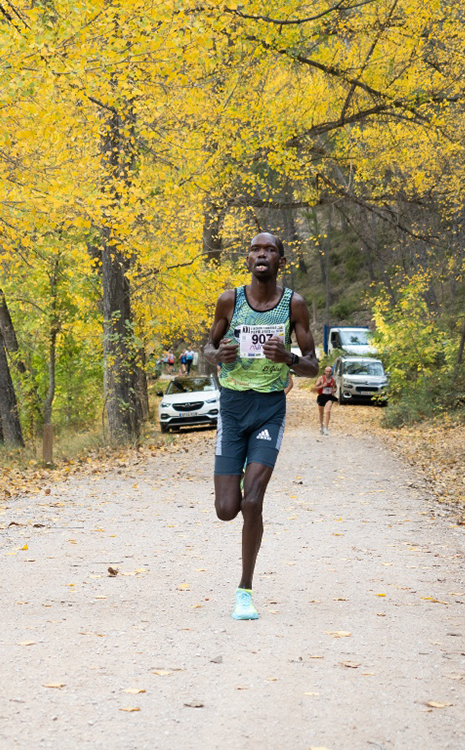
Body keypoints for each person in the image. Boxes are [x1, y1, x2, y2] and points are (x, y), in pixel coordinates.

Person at [205, 232, 318, 621]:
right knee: (226, 509)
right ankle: (235, 476)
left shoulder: (294, 305)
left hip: (269, 408)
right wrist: (218, 355)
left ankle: (244, 591)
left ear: (280, 261)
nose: (262, 254)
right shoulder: (230, 300)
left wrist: (288, 358)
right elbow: (207, 348)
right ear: (248, 259)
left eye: (270, 249)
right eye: (255, 249)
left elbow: (312, 365)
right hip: (233, 408)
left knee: (252, 501)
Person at [313, 365, 338, 435]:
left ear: (331, 372)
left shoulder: (333, 379)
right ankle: (321, 426)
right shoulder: (321, 379)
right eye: (327, 371)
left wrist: (334, 390)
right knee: (321, 413)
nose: (328, 373)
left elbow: (335, 387)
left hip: (329, 397)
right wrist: (322, 386)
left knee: (328, 411)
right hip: (322, 396)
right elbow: (314, 388)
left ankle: (326, 428)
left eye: (330, 371)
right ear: (325, 372)